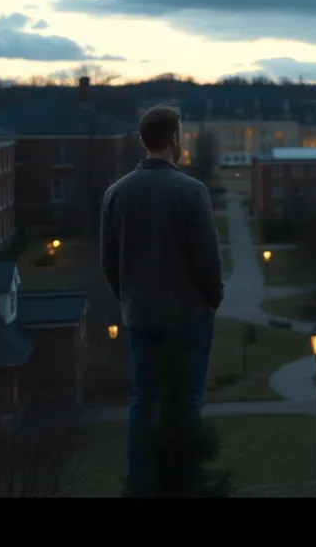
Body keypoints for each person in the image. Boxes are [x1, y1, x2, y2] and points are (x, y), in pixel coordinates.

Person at [100, 105, 225, 497]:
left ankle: (140, 485)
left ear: (143, 140)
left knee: (143, 401)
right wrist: (213, 298)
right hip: (188, 316)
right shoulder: (191, 191)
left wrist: (130, 299)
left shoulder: (116, 193)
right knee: (188, 402)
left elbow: (108, 263)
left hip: (140, 316)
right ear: (174, 138)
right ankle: (184, 483)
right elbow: (207, 258)